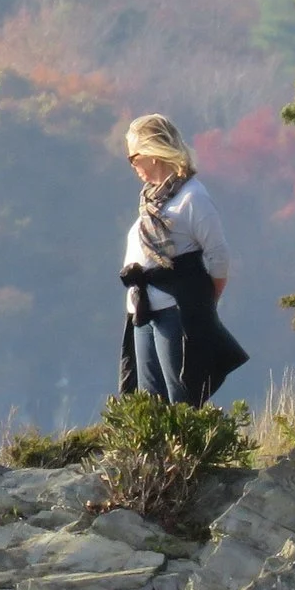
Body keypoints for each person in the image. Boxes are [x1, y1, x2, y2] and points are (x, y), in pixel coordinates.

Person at [116, 113, 247, 404]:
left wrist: (205, 302)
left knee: (181, 399)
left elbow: (218, 255)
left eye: (134, 157)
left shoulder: (192, 197)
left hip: (175, 311)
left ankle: (189, 451)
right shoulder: (151, 199)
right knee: (148, 404)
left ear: (152, 153)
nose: (133, 166)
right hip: (143, 312)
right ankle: (157, 452)